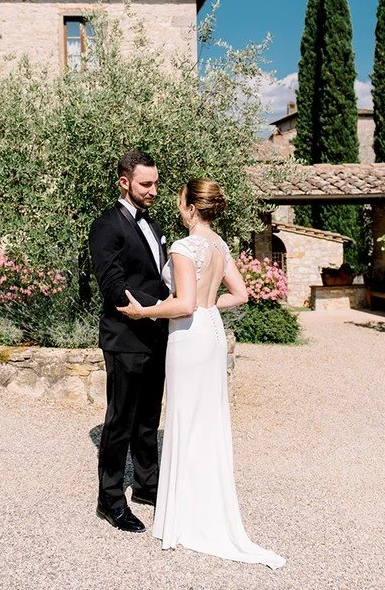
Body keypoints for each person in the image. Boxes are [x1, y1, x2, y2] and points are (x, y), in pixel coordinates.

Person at [118, 179, 286, 569]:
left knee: (185, 418)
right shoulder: (220, 245)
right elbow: (240, 294)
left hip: (190, 339)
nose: (178, 209)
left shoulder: (183, 246)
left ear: (193, 208)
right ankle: (204, 506)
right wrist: (210, 306)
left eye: (181, 202)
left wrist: (144, 312)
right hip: (211, 333)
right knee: (206, 419)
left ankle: (187, 516)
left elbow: (184, 304)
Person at [88, 150, 169, 533]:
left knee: (149, 417)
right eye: (145, 184)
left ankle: (148, 487)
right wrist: (160, 308)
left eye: (155, 182)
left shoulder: (152, 222)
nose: (153, 190)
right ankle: (110, 500)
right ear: (125, 182)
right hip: (125, 338)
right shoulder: (107, 225)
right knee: (120, 420)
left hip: (156, 336)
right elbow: (113, 285)